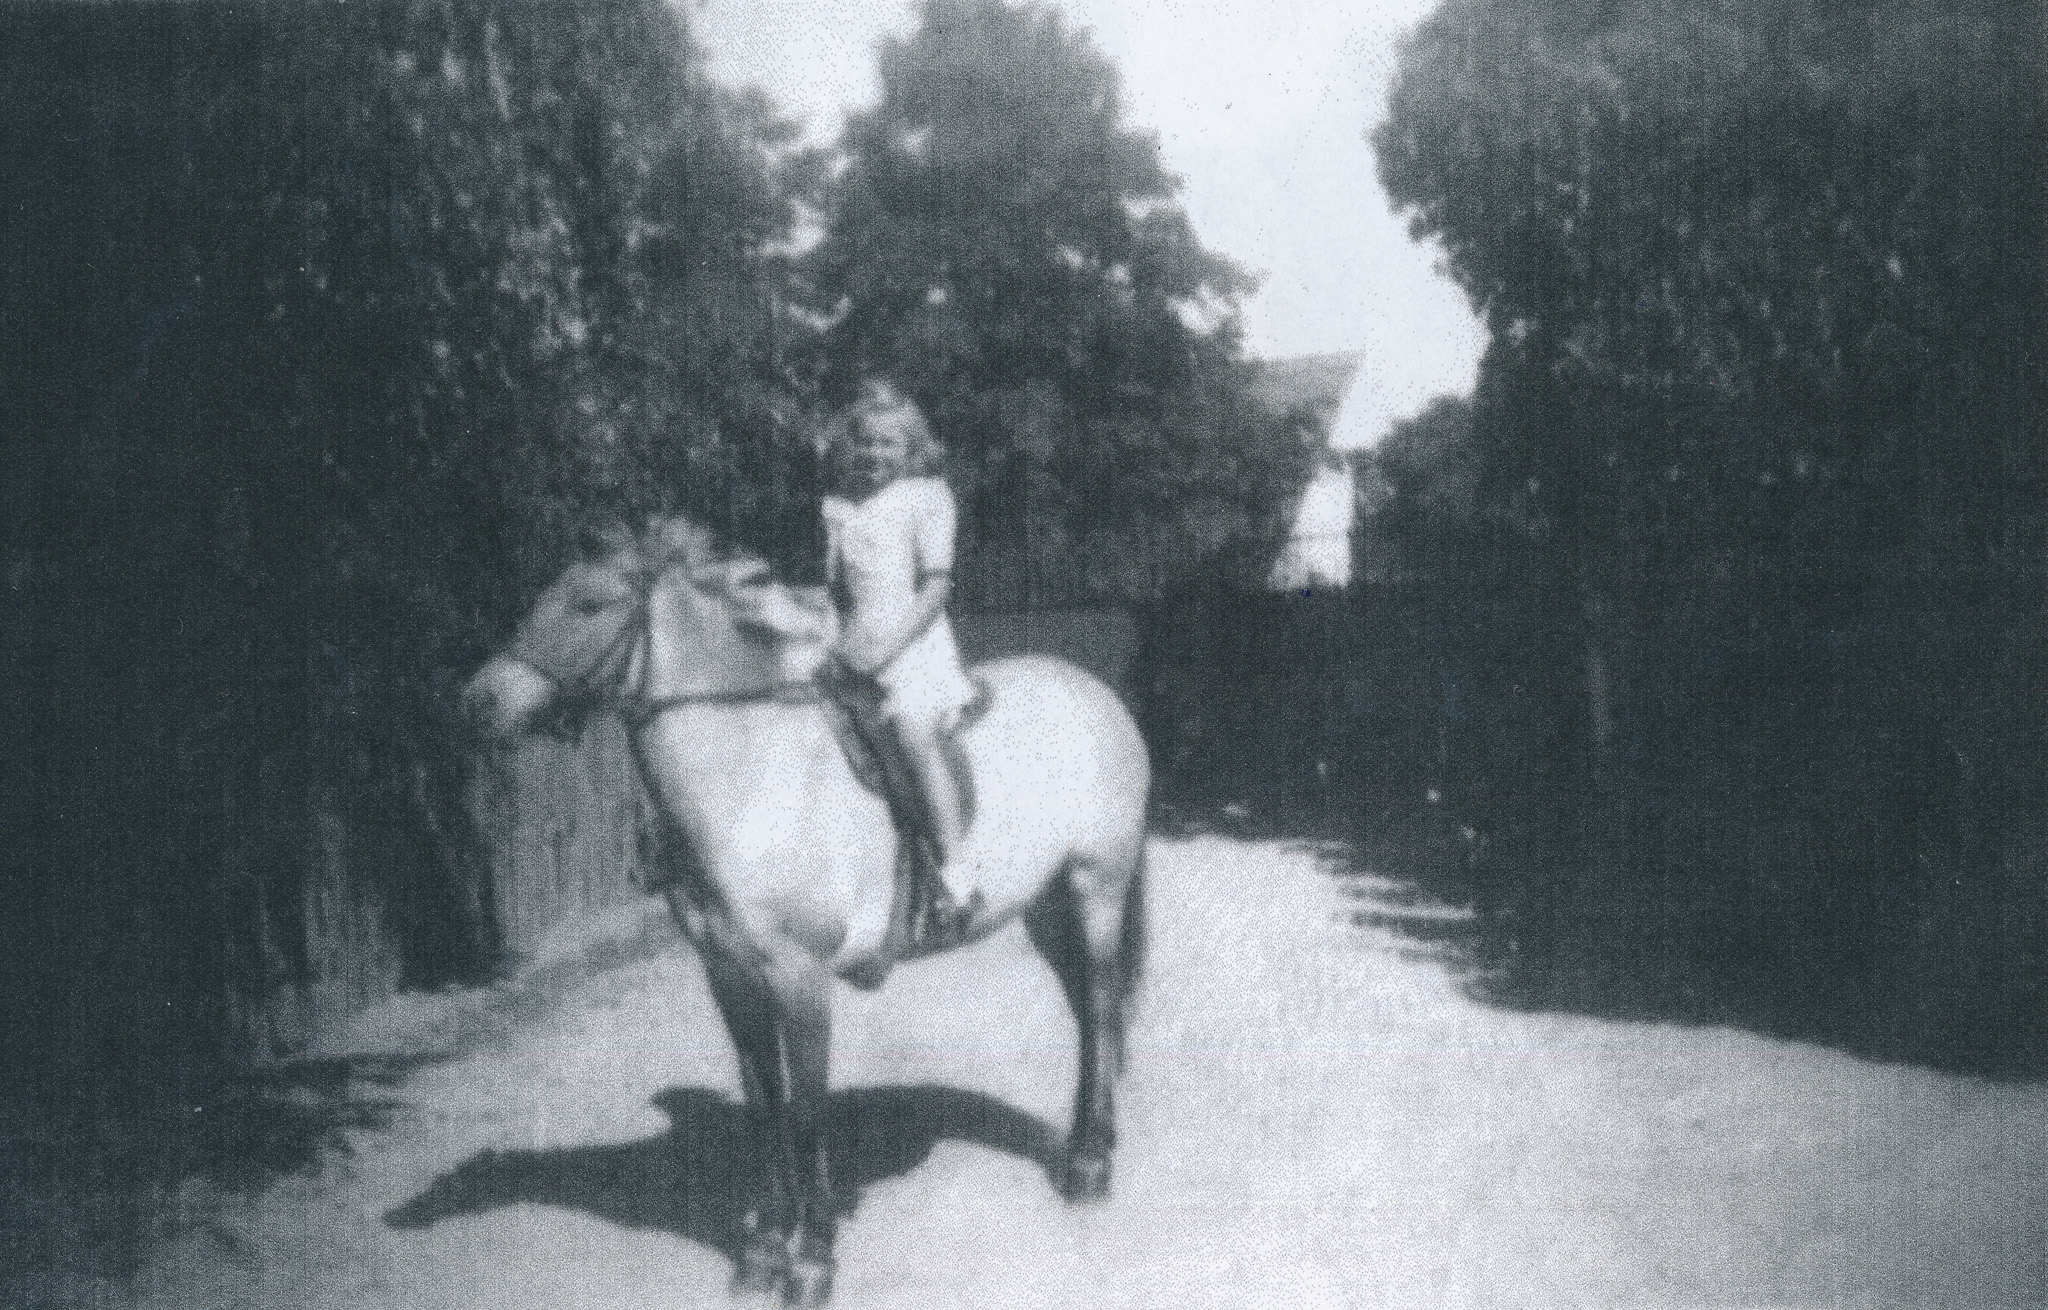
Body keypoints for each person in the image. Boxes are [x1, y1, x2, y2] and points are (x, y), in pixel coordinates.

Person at [821, 380, 979, 932]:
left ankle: (956, 870)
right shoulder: (837, 508)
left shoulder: (926, 497)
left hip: (914, 644)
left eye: (887, 443)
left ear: (911, 448)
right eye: (864, 441)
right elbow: (837, 592)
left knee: (911, 730)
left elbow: (936, 588)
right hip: (852, 645)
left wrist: (886, 649)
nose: (874, 453)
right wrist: (833, 641)